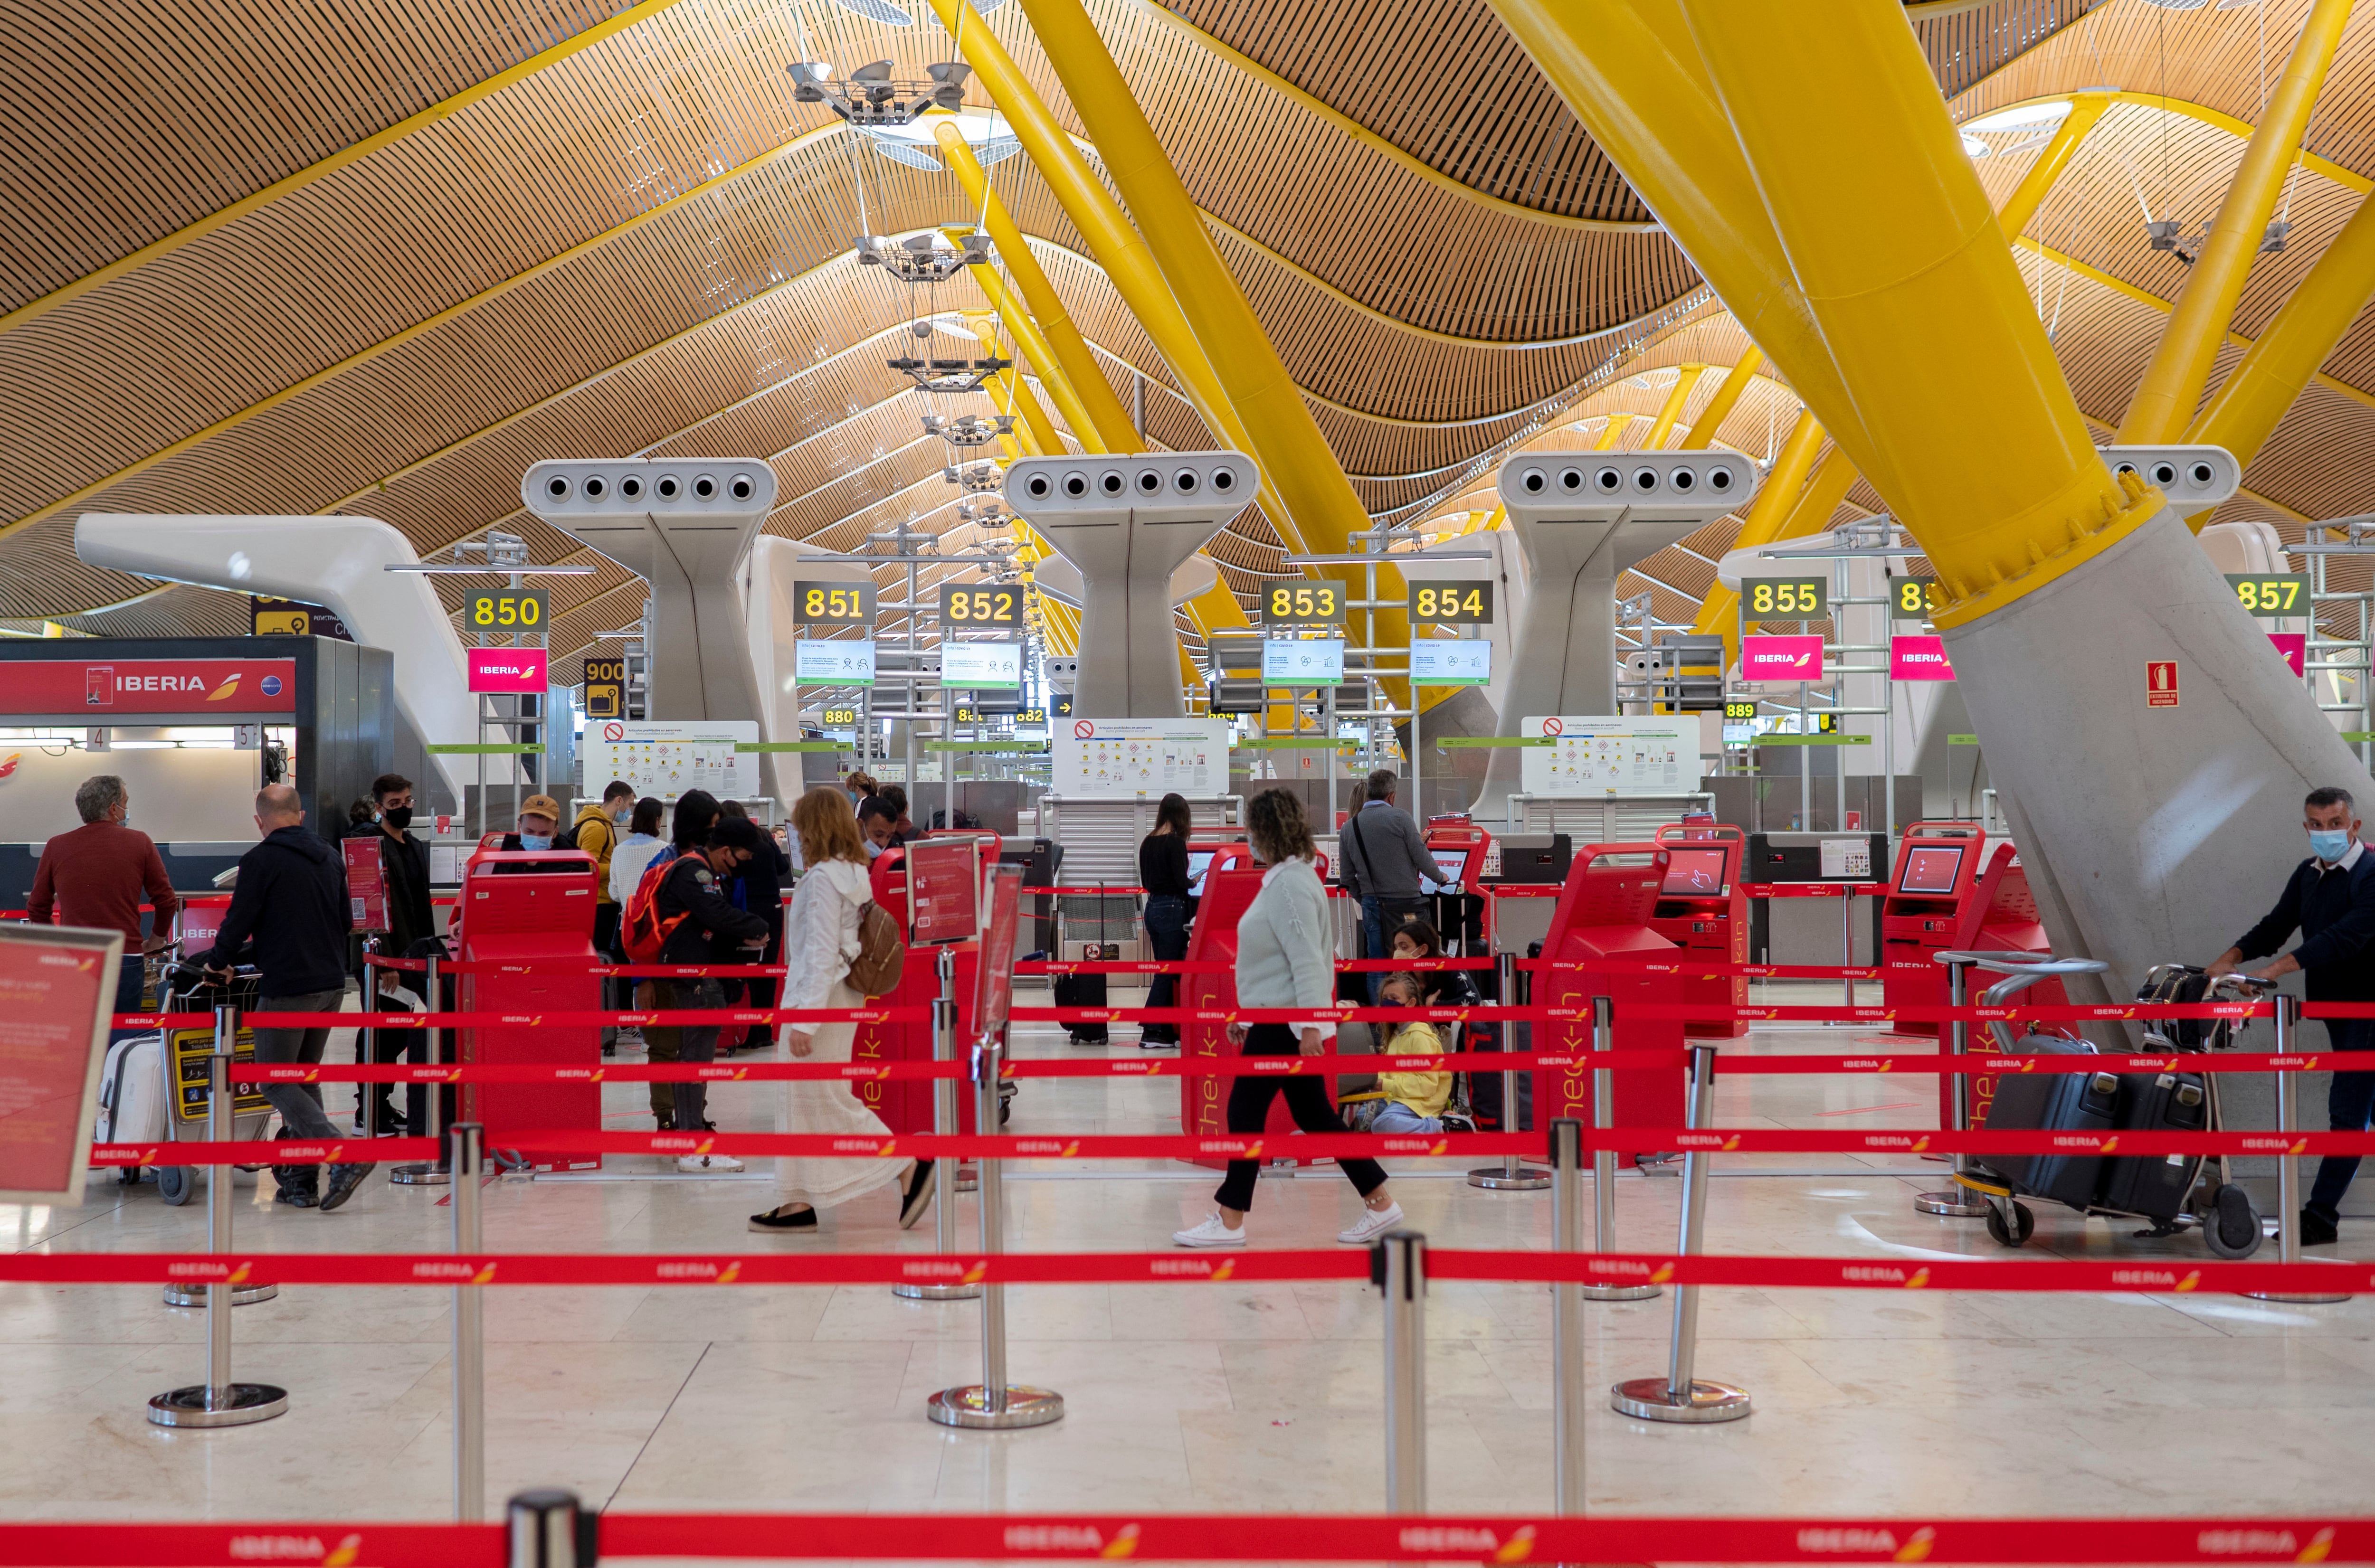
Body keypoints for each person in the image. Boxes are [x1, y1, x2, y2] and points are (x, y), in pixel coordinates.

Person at [1174, 788, 1403, 1248]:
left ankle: (1230, 1218)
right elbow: (1273, 962)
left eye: (1251, 828)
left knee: (1244, 1111)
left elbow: (1306, 961)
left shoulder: (1289, 884)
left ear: (1265, 831)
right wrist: (1247, 1013)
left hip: (1287, 1023)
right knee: (1313, 1113)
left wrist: (1311, 1026)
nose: (1248, 837)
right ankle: (1380, 1201)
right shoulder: (1287, 879)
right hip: (1276, 1019)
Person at [750, 786, 934, 1234]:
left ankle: (909, 1165)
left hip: (820, 998)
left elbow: (819, 953)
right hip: (841, 995)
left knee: (823, 1097)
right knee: (803, 1100)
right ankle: (795, 1201)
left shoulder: (821, 880)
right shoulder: (853, 871)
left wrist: (805, 1020)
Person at [2208, 785, 2375, 1247]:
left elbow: (2343, 938)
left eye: (2335, 824)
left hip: (2368, 1010)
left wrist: (2274, 970)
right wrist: (2228, 958)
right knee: (2364, 1110)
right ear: (2306, 828)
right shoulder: (2308, 874)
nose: (2325, 833)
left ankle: (2319, 1216)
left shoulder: (2370, 872)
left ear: (2353, 825)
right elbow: (2276, 924)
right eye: (2316, 826)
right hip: (2337, 1010)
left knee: (2348, 1114)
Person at [195, 784, 371, 1212]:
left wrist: (218, 961)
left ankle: (341, 1154)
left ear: (260, 821)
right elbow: (347, 920)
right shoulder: (330, 856)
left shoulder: (261, 859)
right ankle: (302, 1181)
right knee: (302, 1079)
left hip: (289, 988)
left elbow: (240, 919)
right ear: (302, 815)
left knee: (273, 1079)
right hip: (331, 984)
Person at [652, 814, 773, 1172]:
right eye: (743, 858)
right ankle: (692, 1148)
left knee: (695, 1057)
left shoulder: (702, 870)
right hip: (694, 977)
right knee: (696, 1058)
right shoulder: (697, 872)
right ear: (726, 850)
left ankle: (689, 1140)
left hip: (698, 972)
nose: (743, 867)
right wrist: (757, 926)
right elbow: (717, 914)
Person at [28, 774, 178, 1040]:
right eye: (125, 802)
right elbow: (166, 900)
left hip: (77, 959)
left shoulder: (56, 846)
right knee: (121, 1040)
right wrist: (156, 939)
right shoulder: (140, 842)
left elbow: (38, 907)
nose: (126, 809)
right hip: (125, 958)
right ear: (113, 809)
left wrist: (58, 946)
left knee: (79, 1039)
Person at [341, 773, 433, 1132]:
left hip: (413, 954)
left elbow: (419, 903)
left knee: (399, 1031)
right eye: (395, 804)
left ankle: (381, 1103)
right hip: (384, 958)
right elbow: (368, 903)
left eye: (408, 801)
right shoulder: (367, 842)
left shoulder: (413, 845)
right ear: (379, 808)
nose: (404, 808)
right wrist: (384, 961)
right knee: (383, 1033)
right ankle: (369, 1111)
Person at [640, 791, 721, 1131]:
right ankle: (666, 1117)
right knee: (664, 1047)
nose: (716, 833)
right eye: (712, 826)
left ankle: (693, 1115)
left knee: (699, 1049)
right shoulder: (661, 865)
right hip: (662, 972)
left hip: (702, 976)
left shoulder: (714, 866)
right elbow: (640, 922)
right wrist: (641, 980)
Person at [1339, 770, 1443, 1002]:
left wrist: (1365, 897)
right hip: (1408, 906)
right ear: (1391, 796)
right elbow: (1421, 858)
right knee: (1416, 959)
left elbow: (1347, 877)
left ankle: (1381, 1023)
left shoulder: (1349, 828)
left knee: (1377, 962)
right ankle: (1416, 1010)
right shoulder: (1401, 818)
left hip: (1373, 905)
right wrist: (1441, 877)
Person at [1364, 973, 1457, 1134]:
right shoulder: (1395, 1036)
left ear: (1411, 1003)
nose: (1387, 1003)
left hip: (1420, 1102)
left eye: (1394, 998)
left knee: (1382, 1125)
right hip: (1396, 1098)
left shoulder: (1420, 1037)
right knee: (1356, 1121)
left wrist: (1384, 1084)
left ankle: (1439, 1126)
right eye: (1385, 998)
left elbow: (1427, 1085)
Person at [1138, 793, 1193, 1049]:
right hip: (1173, 909)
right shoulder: (1176, 843)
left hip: (1152, 909)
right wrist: (1194, 880)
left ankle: (1165, 1030)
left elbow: (1146, 883)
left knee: (1164, 970)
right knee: (1168, 971)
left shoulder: (1148, 842)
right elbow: (1182, 883)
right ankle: (1150, 1029)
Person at [857, 795, 900, 859]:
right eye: (879, 835)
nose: (883, 843)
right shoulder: (840, 857)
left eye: (889, 837)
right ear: (860, 826)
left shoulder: (895, 860)